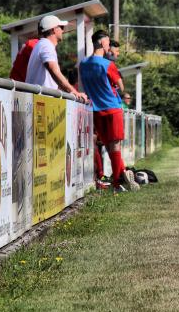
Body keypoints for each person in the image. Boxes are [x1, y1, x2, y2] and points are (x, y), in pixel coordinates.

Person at [79, 30, 139, 192]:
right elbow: (121, 86)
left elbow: (82, 86)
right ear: (101, 42)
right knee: (115, 146)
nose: (109, 45)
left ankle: (121, 176)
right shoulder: (108, 64)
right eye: (107, 42)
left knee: (107, 145)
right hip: (112, 108)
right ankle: (118, 182)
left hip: (96, 110)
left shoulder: (83, 64)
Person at [25, 15, 86, 101]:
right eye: (61, 27)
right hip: (41, 102)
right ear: (53, 29)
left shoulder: (42, 44)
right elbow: (54, 71)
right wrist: (74, 91)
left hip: (38, 100)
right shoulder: (46, 45)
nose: (63, 30)